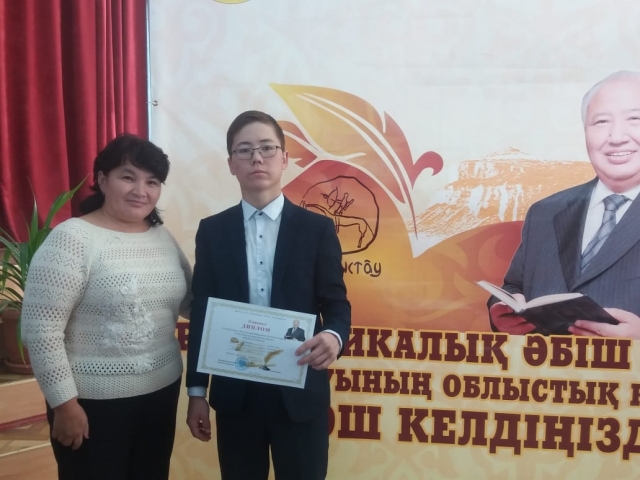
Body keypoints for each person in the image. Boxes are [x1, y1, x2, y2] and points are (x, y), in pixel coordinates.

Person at [185, 110, 351, 480]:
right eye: (244, 150)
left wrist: (333, 336)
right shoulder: (212, 232)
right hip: (236, 393)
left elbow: (336, 304)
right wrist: (197, 390)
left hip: (299, 389)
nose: (256, 158)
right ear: (231, 164)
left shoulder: (317, 230)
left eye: (266, 148)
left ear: (285, 158)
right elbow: (203, 313)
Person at [21, 134, 192, 480]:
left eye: (152, 182)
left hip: (161, 394)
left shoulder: (162, 237)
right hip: (90, 404)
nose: (140, 191)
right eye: (128, 177)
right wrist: (64, 405)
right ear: (102, 179)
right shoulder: (72, 239)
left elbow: (192, 303)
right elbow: (40, 330)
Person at [488, 70, 640, 338]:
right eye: (601, 122)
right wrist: (501, 312)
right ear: (585, 132)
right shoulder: (546, 212)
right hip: (548, 366)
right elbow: (514, 287)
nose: (616, 136)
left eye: (635, 119)